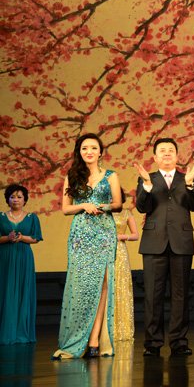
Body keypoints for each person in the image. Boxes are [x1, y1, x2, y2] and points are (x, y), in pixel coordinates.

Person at [53, 133, 122, 359]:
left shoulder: (111, 176)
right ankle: (77, 339)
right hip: (81, 234)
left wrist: (101, 206)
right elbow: (65, 209)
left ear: (100, 152)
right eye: (84, 148)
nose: (89, 151)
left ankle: (94, 340)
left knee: (103, 284)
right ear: (79, 152)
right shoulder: (72, 176)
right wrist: (83, 205)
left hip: (104, 233)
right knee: (80, 286)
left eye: (93, 148)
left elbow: (118, 204)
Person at [134, 138, 194, 357]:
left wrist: (191, 185)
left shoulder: (187, 179)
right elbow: (141, 207)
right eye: (162, 151)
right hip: (153, 243)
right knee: (152, 296)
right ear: (155, 157)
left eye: (171, 150)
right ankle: (152, 343)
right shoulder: (147, 178)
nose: (167, 153)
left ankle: (179, 342)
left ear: (176, 156)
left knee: (180, 295)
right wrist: (146, 186)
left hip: (181, 243)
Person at [0, 184, 43, 345]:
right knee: (5, 291)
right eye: (12, 197)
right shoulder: (1, 217)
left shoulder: (32, 217)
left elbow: (36, 238)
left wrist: (22, 237)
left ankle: (21, 333)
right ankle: (6, 332)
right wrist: (7, 238)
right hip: (5, 258)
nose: (15, 200)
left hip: (24, 257)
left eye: (19, 197)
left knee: (23, 292)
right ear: (7, 200)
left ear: (25, 200)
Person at [112, 189, 139, 341]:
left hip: (120, 252)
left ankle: (121, 329)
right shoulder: (102, 214)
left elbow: (136, 235)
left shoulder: (126, 213)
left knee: (121, 287)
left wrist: (121, 236)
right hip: (104, 251)